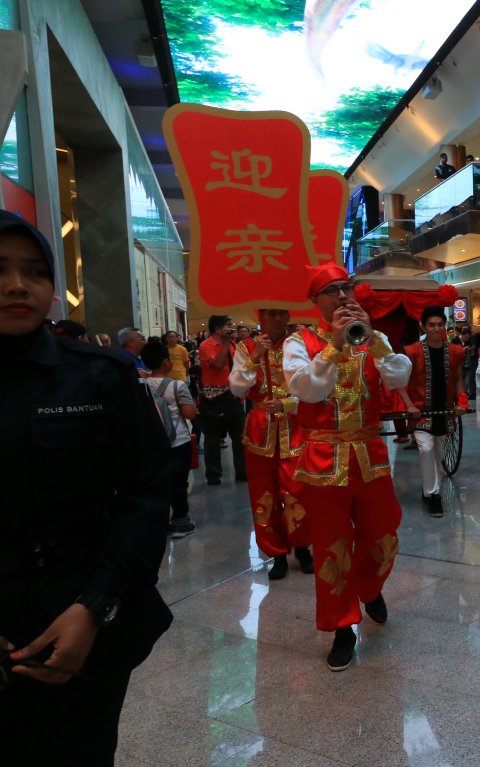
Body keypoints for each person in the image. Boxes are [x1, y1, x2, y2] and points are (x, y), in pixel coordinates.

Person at [0, 210, 172, 765]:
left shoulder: (100, 375)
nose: (17, 285)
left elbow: (146, 495)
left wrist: (94, 607)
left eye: (34, 271)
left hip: (82, 612)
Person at [283, 263, 416, 671]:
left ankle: (369, 587)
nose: (343, 297)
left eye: (346, 289)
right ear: (315, 301)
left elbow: (398, 377)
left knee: (384, 533)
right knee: (332, 546)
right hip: (323, 461)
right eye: (332, 291)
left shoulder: (373, 339)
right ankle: (342, 627)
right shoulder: (299, 342)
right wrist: (333, 345)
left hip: (371, 456)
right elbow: (307, 389)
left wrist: (373, 340)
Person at [229, 308, 313, 579]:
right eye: (271, 314)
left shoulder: (300, 344)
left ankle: (301, 547)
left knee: (298, 490)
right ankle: (276, 553)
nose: (277, 319)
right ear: (260, 316)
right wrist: (254, 358)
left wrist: (288, 403)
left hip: (295, 427)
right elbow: (237, 389)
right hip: (260, 430)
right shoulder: (246, 346)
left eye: (282, 313)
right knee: (264, 494)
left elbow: (312, 389)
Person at [404, 307, 467, 517]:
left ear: (445, 326)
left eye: (440, 324)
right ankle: (433, 495)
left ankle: (428, 489)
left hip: (445, 412)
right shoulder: (411, 351)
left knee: (439, 453)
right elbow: (401, 383)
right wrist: (409, 405)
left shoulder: (456, 352)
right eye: (431, 325)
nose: (436, 328)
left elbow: (458, 379)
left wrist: (462, 401)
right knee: (426, 449)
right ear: (423, 326)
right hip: (420, 412)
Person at [140, 341, 199, 538]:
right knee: (178, 482)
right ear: (166, 362)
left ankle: (158, 522)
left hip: (151, 443)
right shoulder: (177, 385)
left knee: (157, 482)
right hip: (177, 441)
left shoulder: (140, 385)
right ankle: (181, 522)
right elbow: (190, 414)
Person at [198, 315, 247, 486]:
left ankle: (242, 471)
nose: (232, 328)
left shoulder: (234, 345)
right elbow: (218, 365)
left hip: (233, 397)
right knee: (212, 438)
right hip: (214, 399)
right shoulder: (206, 346)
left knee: (240, 437)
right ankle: (213, 475)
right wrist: (226, 343)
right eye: (228, 326)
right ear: (218, 329)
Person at [460, 327, 478, 401]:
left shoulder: (472, 343)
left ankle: (471, 394)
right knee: (467, 379)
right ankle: (467, 393)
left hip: (471, 364)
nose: (462, 337)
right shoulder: (466, 343)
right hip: (465, 364)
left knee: (470, 379)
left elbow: (473, 354)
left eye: (464, 335)